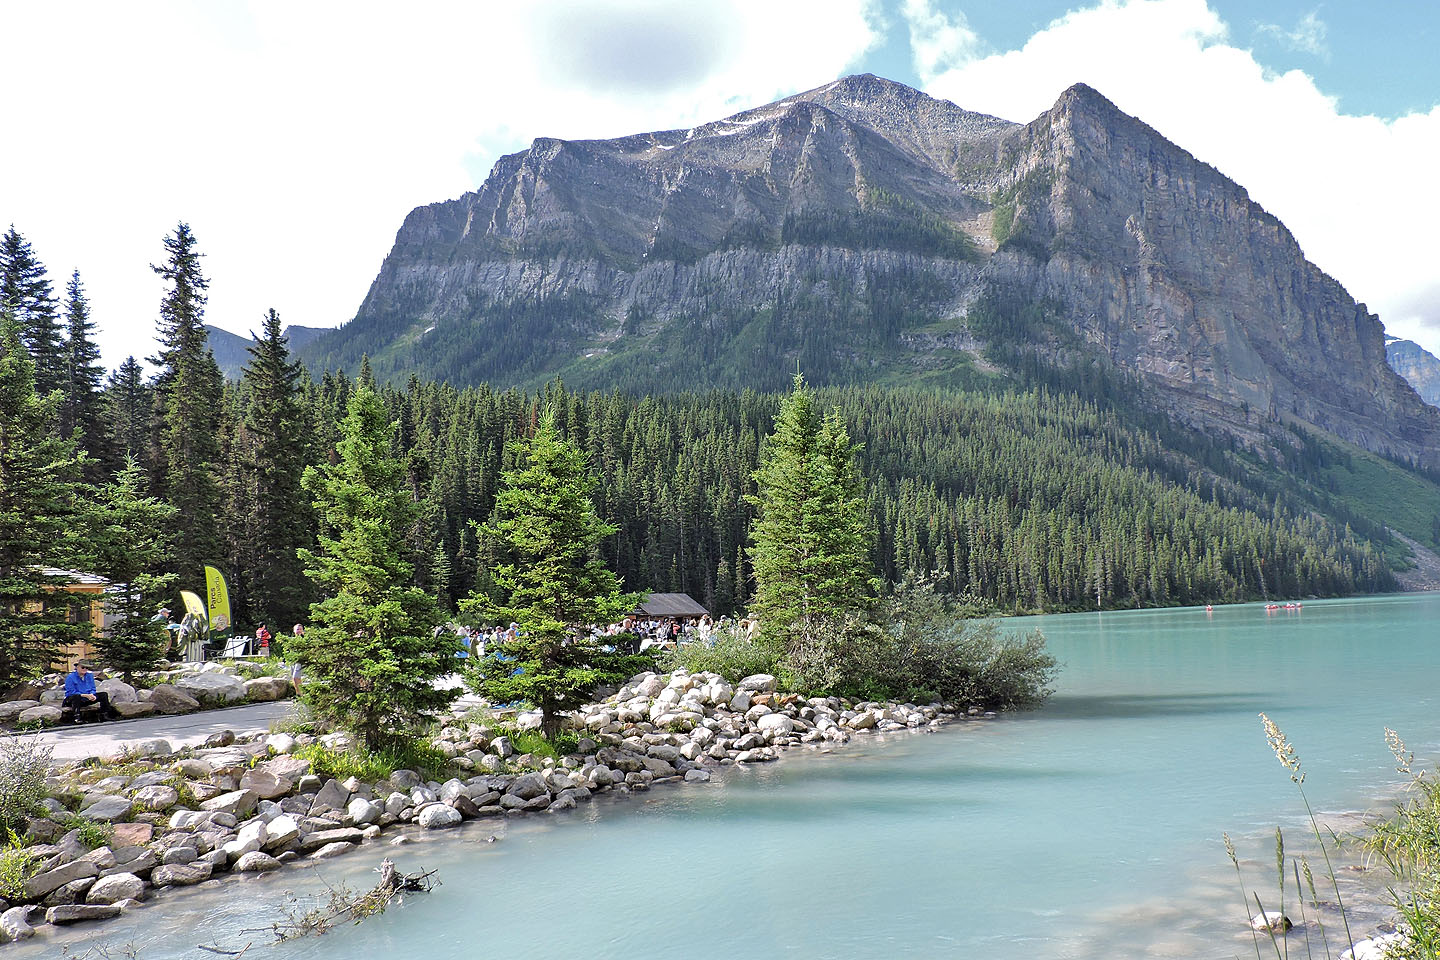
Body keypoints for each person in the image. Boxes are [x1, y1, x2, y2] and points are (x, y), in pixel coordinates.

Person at [289, 624, 304, 694]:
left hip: (300, 660)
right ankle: (298, 693)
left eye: (300, 629)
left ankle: (301, 694)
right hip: (293, 660)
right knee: (294, 678)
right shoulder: (292, 640)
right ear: (294, 631)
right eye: (297, 629)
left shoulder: (304, 639)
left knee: (296, 677)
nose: (299, 631)